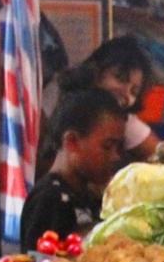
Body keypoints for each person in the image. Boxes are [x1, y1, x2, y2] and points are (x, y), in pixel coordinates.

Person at [19, 88, 128, 250]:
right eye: (107, 146)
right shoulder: (49, 199)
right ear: (72, 142)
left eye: (118, 148)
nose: (115, 157)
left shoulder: (89, 195)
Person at [48, 36, 159, 163]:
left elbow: (161, 156)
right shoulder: (54, 98)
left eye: (134, 91)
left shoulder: (125, 122)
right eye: (120, 78)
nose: (126, 94)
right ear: (96, 70)